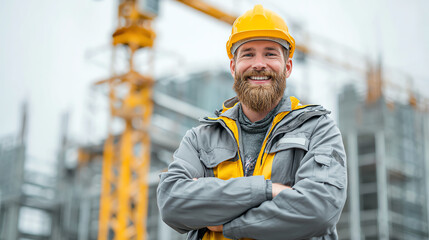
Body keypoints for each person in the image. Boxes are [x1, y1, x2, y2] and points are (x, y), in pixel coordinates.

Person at [157, 4, 347, 240]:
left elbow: (320, 211)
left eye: (270, 53)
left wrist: (227, 225)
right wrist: (269, 190)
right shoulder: (200, 138)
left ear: (287, 67)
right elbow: (172, 202)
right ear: (233, 67)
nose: (259, 64)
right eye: (248, 54)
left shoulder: (318, 129)